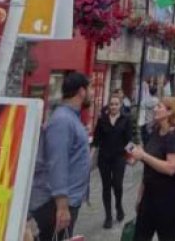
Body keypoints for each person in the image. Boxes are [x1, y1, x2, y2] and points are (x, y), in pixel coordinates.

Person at [29, 72, 92, 241]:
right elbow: (57, 163)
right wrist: (62, 205)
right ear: (81, 91)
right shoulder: (62, 120)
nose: (91, 93)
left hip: (65, 200)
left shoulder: (70, 118)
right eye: (89, 88)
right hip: (55, 203)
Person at [129, 97, 175, 241]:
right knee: (140, 236)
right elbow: (148, 168)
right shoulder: (155, 131)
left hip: (169, 197)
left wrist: (143, 156)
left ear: (169, 112)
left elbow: (170, 168)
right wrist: (140, 196)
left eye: (159, 106)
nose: (155, 109)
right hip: (149, 193)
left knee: (166, 236)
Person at [92, 94, 134, 228]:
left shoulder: (126, 119)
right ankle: (108, 216)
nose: (114, 106)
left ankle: (119, 206)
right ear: (108, 106)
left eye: (116, 104)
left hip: (119, 157)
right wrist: (90, 155)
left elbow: (129, 140)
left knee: (117, 184)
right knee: (106, 187)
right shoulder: (102, 120)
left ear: (120, 105)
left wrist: (133, 155)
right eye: (111, 104)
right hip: (104, 158)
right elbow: (96, 141)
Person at [139, 80, 159, 144]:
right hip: (153, 122)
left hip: (144, 122)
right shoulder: (157, 102)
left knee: (145, 140)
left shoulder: (144, 101)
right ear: (156, 92)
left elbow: (141, 110)